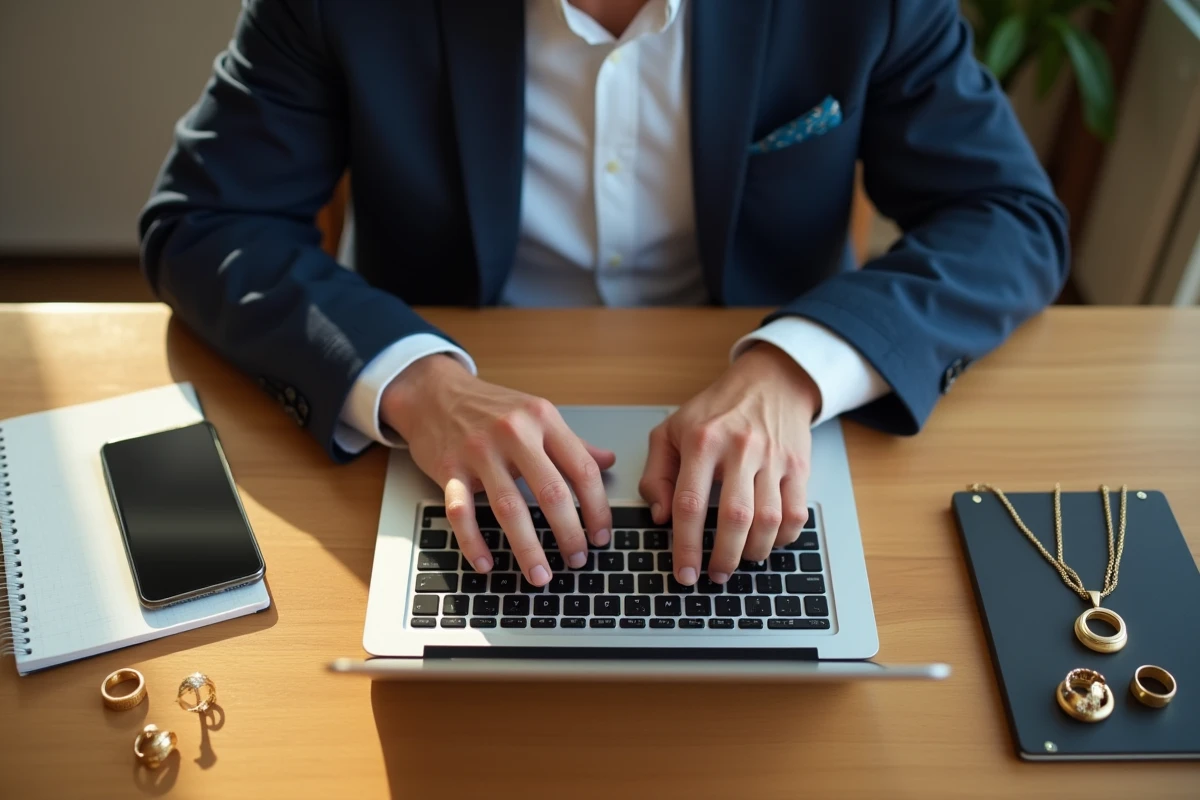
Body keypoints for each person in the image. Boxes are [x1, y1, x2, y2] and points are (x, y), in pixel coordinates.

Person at [140, 0, 1068, 591]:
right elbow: (208, 222)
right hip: (435, 440)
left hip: (770, 427)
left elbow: (1007, 215)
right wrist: (415, 386)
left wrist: (796, 367)